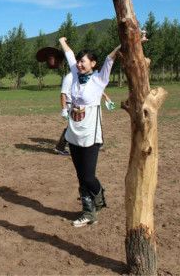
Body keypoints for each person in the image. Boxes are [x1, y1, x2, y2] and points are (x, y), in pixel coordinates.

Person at [58, 36, 120, 227]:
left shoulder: (99, 79)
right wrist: (62, 42)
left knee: (88, 176)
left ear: (93, 63)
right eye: (78, 61)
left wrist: (125, 42)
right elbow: (69, 55)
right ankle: (89, 212)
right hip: (74, 132)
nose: (79, 64)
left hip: (91, 134)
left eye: (83, 61)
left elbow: (111, 58)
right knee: (80, 176)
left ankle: (99, 195)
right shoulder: (75, 75)